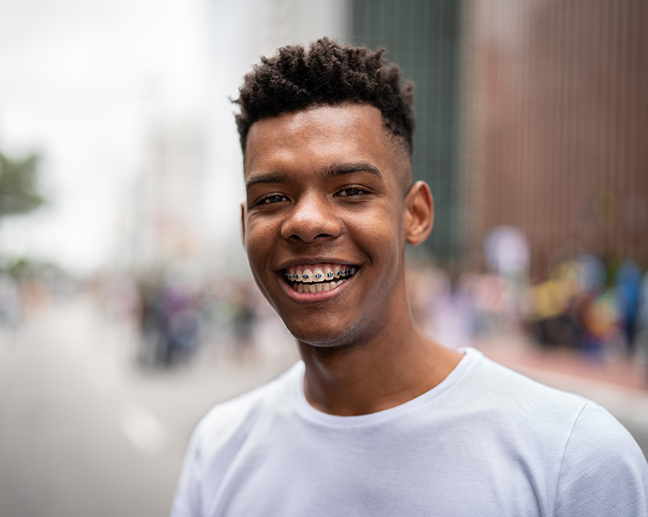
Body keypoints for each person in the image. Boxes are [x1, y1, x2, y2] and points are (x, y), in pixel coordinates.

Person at [170, 38, 648, 516]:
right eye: (272, 198)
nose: (306, 222)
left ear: (415, 215)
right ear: (244, 226)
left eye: (351, 190)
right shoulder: (218, 450)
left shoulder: (572, 458)